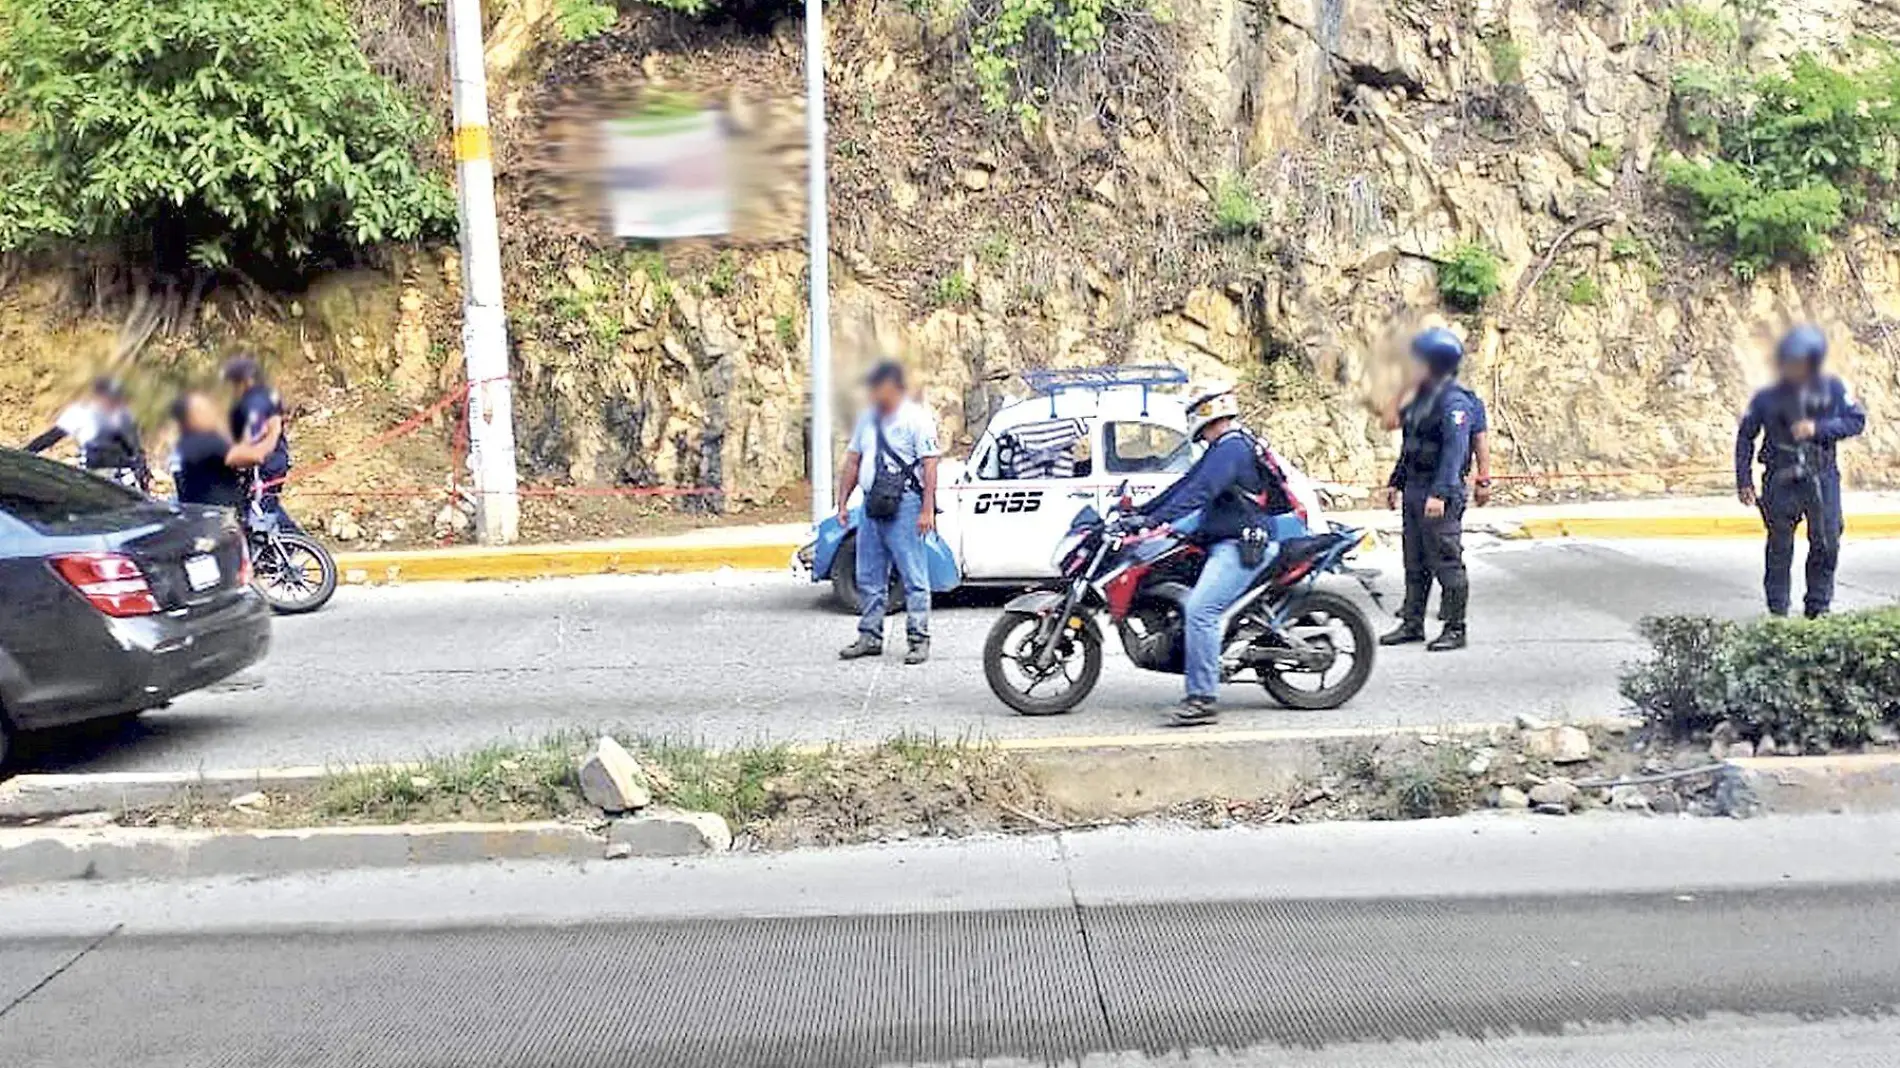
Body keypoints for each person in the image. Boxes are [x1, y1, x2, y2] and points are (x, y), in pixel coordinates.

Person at [1129, 383, 1301, 728]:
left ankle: (1202, 698)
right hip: (1224, 538)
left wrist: (1153, 520)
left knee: (1201, 610)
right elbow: (1186, 485)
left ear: (1207, 413)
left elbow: (1200, 491)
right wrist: (1143, 513)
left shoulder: (1232, 448)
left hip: (1239, 544)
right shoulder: (1224, 447)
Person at [1735, 324, 1866, 618]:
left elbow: (1856, 421)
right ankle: (1778, 610)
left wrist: (1818, 428)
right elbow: (1746, 435)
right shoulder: (1767, 397)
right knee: (1779, 547)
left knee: (1827, 542)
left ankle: (1818, 608)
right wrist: (1744, 480)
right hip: (1780, 479)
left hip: (1821, 478)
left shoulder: (1832, 390)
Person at [1380, 328, 1486, 652]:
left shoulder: (1455, 402)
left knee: (1446, 560)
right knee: (1414, 560)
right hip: (1415, 487)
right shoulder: (1421, 399)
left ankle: (1456, 628)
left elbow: (1455, 451)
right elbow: (1409, 444)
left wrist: (1440, 493)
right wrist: (1395, 481)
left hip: (1440, 491)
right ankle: (1413, 622)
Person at [836, 361, 942, 665]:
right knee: (868, 573)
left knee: (913, 575)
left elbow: (930, 465)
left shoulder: (916, 420)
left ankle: (918, 638)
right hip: (872, 505)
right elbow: (853, 461)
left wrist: (926, 510)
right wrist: (843, 502)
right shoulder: (867, 419)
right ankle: (870, 635)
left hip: (905, 505)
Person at [24, 376, 152, 492]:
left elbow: (136, 451)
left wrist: (143, 475)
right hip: (94, 476)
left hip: (124, 477)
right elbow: (51, 437)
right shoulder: (82, 414)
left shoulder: (124, 416)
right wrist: (25, 453)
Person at [223, 357, 299, 531]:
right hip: (273, 459)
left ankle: (291, 543)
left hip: (266, 463)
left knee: (262, 508)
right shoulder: (260, 397)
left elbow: (254, 435)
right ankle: (292, 541)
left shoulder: (255, 401)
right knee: (263, 503)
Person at [170, 390, 274, 510]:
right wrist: (274, 431)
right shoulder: (206, 441)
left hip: (202, 517)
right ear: (191, 416)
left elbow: (235, 451)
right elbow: (257, 457)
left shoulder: (188, 443)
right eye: (204, 411)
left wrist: (259, 436)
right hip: (219, 521)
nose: (211, 414)